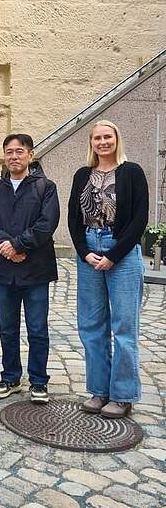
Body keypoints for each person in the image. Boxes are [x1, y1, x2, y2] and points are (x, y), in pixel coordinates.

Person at [68, 120, 148, 418]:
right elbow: (74, 220)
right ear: (91, 142)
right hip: (89, 247)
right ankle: (99, 391)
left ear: (117, 139)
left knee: (124, 327)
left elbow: (139, 219)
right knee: (91, 325)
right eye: (97, 138)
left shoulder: (132, 172)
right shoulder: (82, 175)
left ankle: (123, 395)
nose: (102, 142)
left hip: (122, 251)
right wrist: (85, 252)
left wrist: (113, 255)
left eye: (107, 137)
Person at [0, 133, 60, 404]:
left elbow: (46, 225)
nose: (14, 156)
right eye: (9, 152)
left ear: (30, 155)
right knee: (7, 328)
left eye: (19, 151)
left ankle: (39, 381)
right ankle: (11, 376)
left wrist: (17, 245)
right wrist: (7, 247)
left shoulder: (45, 187)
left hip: (35, 269)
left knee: (37, 328)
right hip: (5, 271)